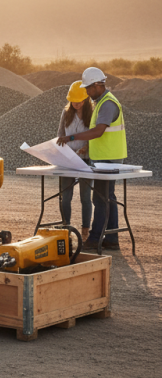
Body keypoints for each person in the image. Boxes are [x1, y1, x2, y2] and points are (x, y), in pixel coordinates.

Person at [56, 67, 127, 250]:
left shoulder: (107, 104)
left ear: (97, 85)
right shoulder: (101, 102)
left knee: (100, 199)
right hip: (105, 157)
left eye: (88, 88)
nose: (86, 92)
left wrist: (72, 138)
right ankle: (112, 240)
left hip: (108, 159)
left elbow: (98, 131)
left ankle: (95, 239)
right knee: (108, 197)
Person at [55, 80, 93, 238]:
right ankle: (66, 228)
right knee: (66, 197)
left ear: (85, 99)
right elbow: (60, 135)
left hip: (85, 160)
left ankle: (85, 230)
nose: (76, 104)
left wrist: (87, 148)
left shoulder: (92, 113)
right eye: (73, 101)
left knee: (85, 197)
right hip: (69, 160)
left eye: (79, 101)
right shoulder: (66, 113)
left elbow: (95, 135)